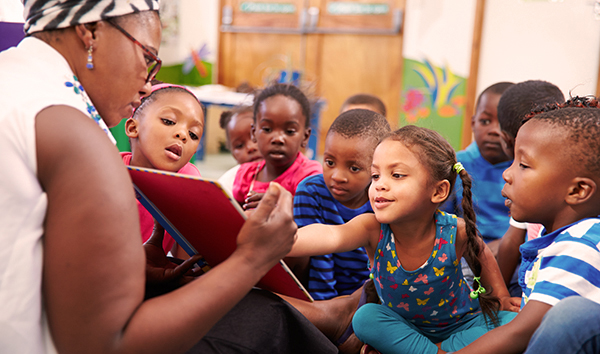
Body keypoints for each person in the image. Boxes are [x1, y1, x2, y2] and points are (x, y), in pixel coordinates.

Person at [0, 1, 336, 353]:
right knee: (265, 318)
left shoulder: (15, 82)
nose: (147, 82)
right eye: (147, 57)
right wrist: (252, 259)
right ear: (90, 31)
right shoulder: (74, 133)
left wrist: (132, 270)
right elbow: (106, 345)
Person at [288, 125, 519, 354]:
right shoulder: (373, 229)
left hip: (462, 326)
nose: (380, 184)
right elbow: (332, 235)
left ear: (438, 191)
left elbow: (482, 253)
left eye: (396, 175)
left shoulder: (455, 231)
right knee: (365, 318)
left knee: (513, 320)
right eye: (375, 175)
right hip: (403, 329)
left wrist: (501, 296)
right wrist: (282, 241)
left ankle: (433, 350)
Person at [452, 96, 600, 354]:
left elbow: (521, 333)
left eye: (523, 165)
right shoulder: (562, 234)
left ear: (577, 190)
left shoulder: (581, 245)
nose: (507, 174)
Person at [294, 108, 391, 300]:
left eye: (353, 168)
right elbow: (320, 258)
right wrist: (324, 307)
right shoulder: (311, 191)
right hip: (320, 296)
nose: (337, 176)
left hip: (370, 294)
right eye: (329, 162)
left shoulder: (384, 197)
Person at [495, 80, 565, 296]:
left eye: (523, 165)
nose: (507, 174)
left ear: (505, 140)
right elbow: (510, 241)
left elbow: (510, 242)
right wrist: (496, 296)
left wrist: (493, 296)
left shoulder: (534, 189)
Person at [123, 83, 204, 254]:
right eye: (169, 121)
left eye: (193, 134)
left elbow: (185, 265)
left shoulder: (187, 181)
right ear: (133, 127)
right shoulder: (108, 169)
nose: (182, 134)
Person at [442, 82, 514, 256]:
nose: (494, 131)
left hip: (513, 250)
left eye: (503, 124)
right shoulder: (455, 165)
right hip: (465, 252)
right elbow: (443, 221)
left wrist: (504, 245)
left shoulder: (523, 169)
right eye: (485, 121)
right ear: (473, 123)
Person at [232, 83, 322, 210]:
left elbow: (315, 213)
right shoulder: (246, 175)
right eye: (267, 129)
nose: (278, 139)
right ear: (254, 133)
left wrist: (282, 205)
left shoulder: (309, 176)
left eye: (290, 131)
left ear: (305, 137)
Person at [217, 104, 262, 194]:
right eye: (239, 145)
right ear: (232, 152)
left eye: (256, 138)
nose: (250, 148)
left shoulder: (292, 174)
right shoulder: (228, 183)